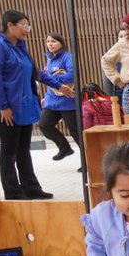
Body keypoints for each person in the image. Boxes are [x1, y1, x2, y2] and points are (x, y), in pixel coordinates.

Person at [0, 10, 52, 201]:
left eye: (28, 26)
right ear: (10, 25)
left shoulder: (20, 45)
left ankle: (32, 188)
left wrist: (58, 86)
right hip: (3, 107)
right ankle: (13, 191)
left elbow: (34, 71)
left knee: (23, 148)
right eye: (24, 25)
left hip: (22, 105)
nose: (27, 30)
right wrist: (3, 106)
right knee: (9, 149)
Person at [36, 32, 77, 161]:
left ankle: (88, 163)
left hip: (67, 101)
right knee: (44, 124)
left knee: (76, 133)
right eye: (48, 41)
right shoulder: (49, 58)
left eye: (53, 41)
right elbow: (48, 79)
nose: (50, 44)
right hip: (51, 100)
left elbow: (72, 75)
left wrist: (52, 77)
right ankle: (64, 147)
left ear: (61, 42)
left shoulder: (67, 57)